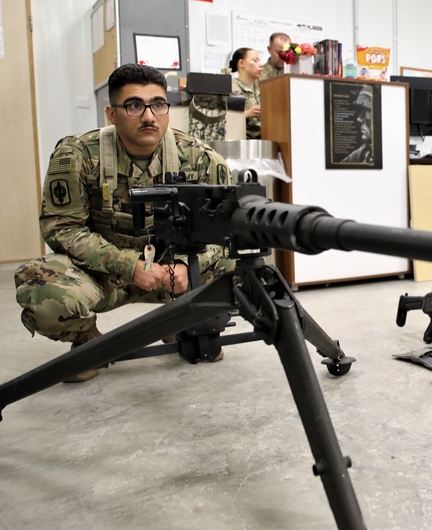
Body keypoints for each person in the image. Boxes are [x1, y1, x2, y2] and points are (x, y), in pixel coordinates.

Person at [15, 64, 236, 381]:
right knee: (40, 284)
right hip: (103, 274)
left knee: (240, 267)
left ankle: (184, 324)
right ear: (112, 113)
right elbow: (62, 228)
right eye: (134, 105)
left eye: (158, 104)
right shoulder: (77, 155)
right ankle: (88, 341)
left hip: (175, 271)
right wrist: (129, 266)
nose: (149, 116)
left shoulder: (201, 159)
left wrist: (192, 267)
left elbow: (223, 231)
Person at [229, 47, 263, 139]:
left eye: (259, 61)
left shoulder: (262, 88)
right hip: (242, 141)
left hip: (265, 140)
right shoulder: (231, 88)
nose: (260, 65)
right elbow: (222, 119)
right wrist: (245, 114)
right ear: (241, 63)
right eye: (255, 61)